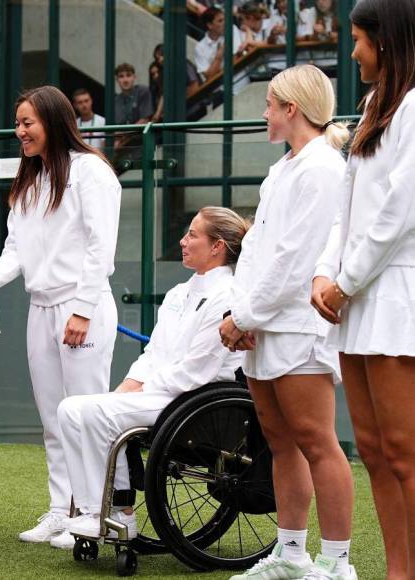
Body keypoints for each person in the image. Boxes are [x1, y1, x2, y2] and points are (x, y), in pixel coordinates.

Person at [0, 85, 121, 545]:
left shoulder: (91, 171)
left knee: (86, 412)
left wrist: (83, 310)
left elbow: (100, 248)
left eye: (27, 123)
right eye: (17, 123)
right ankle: (61, 509)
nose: (20, 132)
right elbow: (16, 251)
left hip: (81, 306)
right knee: (52, 417)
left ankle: (93, 512)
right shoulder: (30, 181)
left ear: (53, 121)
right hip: (41, 307)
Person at [219, 64, 356, 580]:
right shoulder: (284, 169)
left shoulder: (322, 167)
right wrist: (240, 314)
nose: (264, 112)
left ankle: (338, 564)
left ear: (291, 109)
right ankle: (292, 555)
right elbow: (256, 248)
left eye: (270, 104)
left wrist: (243, 316)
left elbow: (297, 260)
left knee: (316, 440)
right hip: (264, 328)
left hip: (298, 326)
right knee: (280, 441)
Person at [53, 207, 248, 550]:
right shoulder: (177, 293)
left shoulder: (228, 295)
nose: (182, 241)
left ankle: (120, 515)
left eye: (192, 235)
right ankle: (90, 511)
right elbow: (153, 354)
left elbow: (198, 369)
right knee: (70, 409)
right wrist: (128, 388)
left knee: (99, 413)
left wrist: (141, 392)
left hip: (197, 401)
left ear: (217, 246)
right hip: (163, 393)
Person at [312, 1, 415, 577]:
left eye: (358, 39)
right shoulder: (377, 105)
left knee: (404, 453)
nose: (353, 52)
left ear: (387, 40)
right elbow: (346, 213)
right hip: (356, 299)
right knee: (374, 452)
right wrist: (326, 274)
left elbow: (400, 211)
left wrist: (344, 282)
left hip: (396, 296)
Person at [71, 88, 106, 152]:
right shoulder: (74, 124)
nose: (84, 105)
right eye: (80, 102)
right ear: (75, 105)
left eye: (86, 101)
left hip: (98, 159)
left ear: (91, 101)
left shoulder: (102, 121)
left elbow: (105, 147)